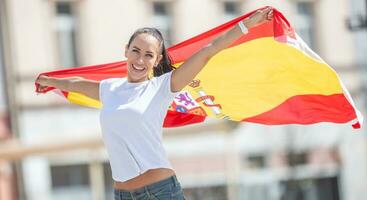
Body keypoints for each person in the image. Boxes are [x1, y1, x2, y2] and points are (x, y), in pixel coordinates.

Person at [36, 7, 273, 200]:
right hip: (122, 194)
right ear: (126, 51)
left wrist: (248, 24)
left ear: (157, 60)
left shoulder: (162, 87)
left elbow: (208, 51)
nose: (140, 59)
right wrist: (49, 81)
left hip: (160, 192)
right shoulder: (110, 89)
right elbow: (78, 84)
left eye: (148, 55)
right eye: (136, 51)